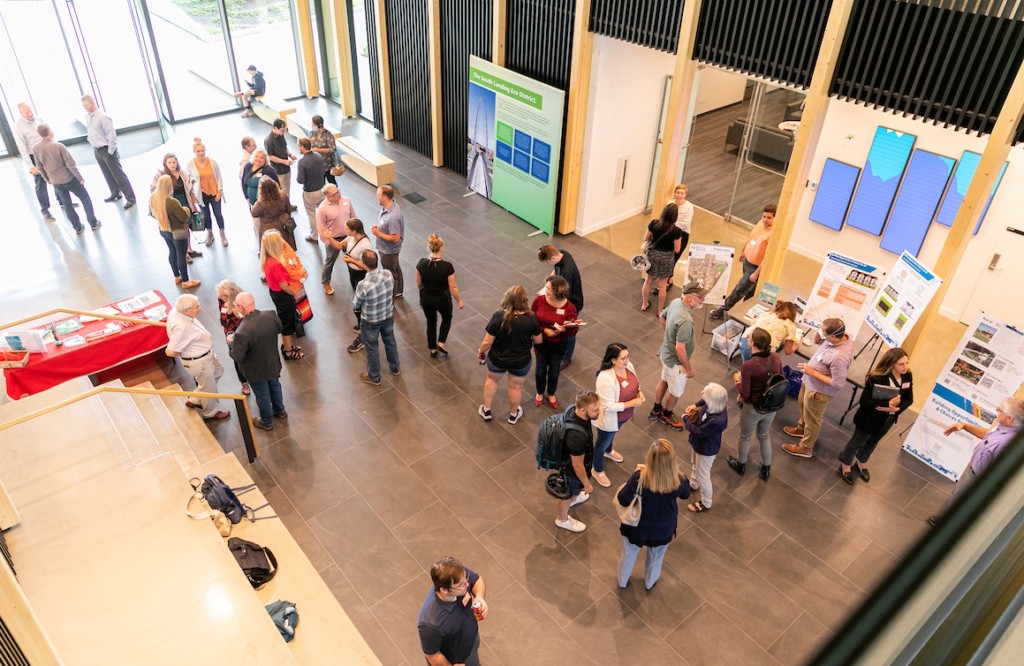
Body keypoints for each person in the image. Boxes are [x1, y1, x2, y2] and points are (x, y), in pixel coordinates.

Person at [932, 397, 1024, 523]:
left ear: (1010, 418)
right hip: (972, 470)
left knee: (962, 506)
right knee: (957, 498)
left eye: (999, 410)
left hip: (977, 480)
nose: (996, 410)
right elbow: (989, 435)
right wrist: (965, 426)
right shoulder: (1005, 426)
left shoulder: (1008, 444)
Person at [616, 439, 690, 589]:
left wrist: (635, 474)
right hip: (663, 528)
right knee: (656, 558)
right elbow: (686, 495)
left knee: (628, 556)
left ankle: (622, 581)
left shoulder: (639, 477)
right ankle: (650, 583)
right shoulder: (679, 480)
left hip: (637, 526)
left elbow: (623, 499)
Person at [838, 348, 914, 484]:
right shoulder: (876, 378)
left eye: (907, 363)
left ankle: (861, 462)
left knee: (872, 442)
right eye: (901, 364)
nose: (905, 367)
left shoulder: (907, 376)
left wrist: (896, 409)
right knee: (856, 443)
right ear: (891, 364)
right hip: (869, 419)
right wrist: (887, 403)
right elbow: (864, 401)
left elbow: (909, 399)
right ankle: (846, 464)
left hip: (888, 419)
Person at [782, 318, 854, 458]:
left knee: (813, 421)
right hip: (808, 382)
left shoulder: (840, 356)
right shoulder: (835, 338)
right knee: (803, 406)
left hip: (818, 391)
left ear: (833, 336)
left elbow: (838, 383)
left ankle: (806, 448)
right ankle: (802, 429)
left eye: (822, 330)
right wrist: (821, 331)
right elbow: (816, 341)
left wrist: (813, 372)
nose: (819, 331)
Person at [477, 286, 542, 424]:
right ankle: (513, 415)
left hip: (497, 360)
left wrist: (481, 352)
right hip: (521, 361)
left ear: (507, 299)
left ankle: (486, 410)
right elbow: (538, 341)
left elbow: (487, 341)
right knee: (516, 387)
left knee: (492, 381)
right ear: (525, 300)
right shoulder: (531, 318)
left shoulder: (498, 316)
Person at [650, 282, 708, 430]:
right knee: (675, 391)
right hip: (676, 362)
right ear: (689, 297)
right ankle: (666, 415)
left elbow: (662, 317)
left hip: (666, 354)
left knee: (664, 379)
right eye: (700, 297)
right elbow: (680, 349)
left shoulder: (676, 302)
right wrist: (688, 369)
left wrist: (668, 336)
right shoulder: (686, 321)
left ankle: (656, 409)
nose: (703, 300)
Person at [727, 327, 781, 482]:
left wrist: (737, 380)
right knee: (764, 435)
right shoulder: (775, 357)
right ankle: (765, 468)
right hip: (771, 406)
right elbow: (780, 378)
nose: (748, 339)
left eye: (749, 337)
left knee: (744, 436)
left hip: (753, 408)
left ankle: (740, 465)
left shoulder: (748, 365)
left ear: (752, 343)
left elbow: (745, 394)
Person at [165, 294, 229, 421]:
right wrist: (186, 353)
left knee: (217, 373)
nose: (199, 308)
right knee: (209, 387)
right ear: (185, 310)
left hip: (206, 355)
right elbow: (170, 352)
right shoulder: (181, 328)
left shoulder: (176, 311)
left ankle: (195, 399)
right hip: (200, 361)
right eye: (196, 307)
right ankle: (210, 412)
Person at [231, 292, 288, 432]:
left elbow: (237, 356)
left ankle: (266, 422)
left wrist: (231, 344)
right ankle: (280, 410)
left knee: (262, 394)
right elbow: (280, 329)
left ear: (242, 308)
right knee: (275, 386)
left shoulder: (241, 332)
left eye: (236, 305)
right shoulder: (271, 315)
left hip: (255, 370)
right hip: (272, 362)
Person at [418, 557, 487, 666]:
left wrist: (479, 597)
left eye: (466, 578)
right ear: (444, 590)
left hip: (470, 649)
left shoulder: (457, 575)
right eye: (460, 585)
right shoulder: (430, 623)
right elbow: (433, 656)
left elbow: (477, 580)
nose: (467, 584)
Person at [710, 203, 775, 319]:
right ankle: (745, 315)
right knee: (750, 291)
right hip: (747, 263)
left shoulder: (773, 235)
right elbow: (751, 239)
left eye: (769, 218)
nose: (765, 220)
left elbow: (768, 258)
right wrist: (744, 250)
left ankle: (723, 308)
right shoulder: (760, 224)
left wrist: (756, 273)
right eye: (764, 216)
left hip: (755, 269)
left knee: (740, 289)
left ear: (775, 218)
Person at [593, 343, 644, 488]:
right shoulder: (605, 378)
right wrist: (632, 402)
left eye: (627, 357)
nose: (627, 361)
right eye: (623, 358)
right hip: (611, 418)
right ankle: (597, 470)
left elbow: (636, 382)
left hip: (622, 417)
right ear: (613, 360)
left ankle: (609, 451)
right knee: (601, 443)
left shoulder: (628, 366)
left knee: (612, 434)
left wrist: (639, 393)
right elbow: (608, 406)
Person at [33, 124, 101, 233]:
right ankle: (93, 222)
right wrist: (80, 178)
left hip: (55, 181)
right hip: (69, 179)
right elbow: (71, 165)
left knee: (67, 204)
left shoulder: (36, 148)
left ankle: (77, 227)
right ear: (50, 132)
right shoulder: (59, 146)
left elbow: (39, 167)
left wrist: (47, 178)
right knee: (85, 198)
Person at [353, 250, 401, 386]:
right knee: (390, 341)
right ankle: (395, 367)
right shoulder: (387, 274)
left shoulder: (363, 285)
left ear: (364, 265)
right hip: (387, 315)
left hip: (370, 322)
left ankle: (374, 376)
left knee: (372, 348)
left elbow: (356, 304)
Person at [555, 391, 600, 533]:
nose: (599, 412)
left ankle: (574, 497)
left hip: (572, 463)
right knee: (566, 494)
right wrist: (587, 485)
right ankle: (562, 519)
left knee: (572, 492)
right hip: (571, 472)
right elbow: (577, 466)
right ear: (582, 410)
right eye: (595, 410)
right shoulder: (577, 437)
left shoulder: (572, 410)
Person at [530, 276, 578, 408]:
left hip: (559, 344)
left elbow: (573, 330)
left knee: (554, 369)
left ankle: (551, 393)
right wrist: (544, 330)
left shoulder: (570, 308)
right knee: (540, 368)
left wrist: (564, 330)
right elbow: (531, 321)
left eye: (549, 288)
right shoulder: (539, 300)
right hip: (540, 341)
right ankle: (540, 392)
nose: (546, 290)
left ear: (558, 292)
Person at [81, 95, 135, 209]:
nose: (85, 107)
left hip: (107, 149)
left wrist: (111, 151)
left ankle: (130, 198)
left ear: (93, 103)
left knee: (118, 175)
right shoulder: (87, 116)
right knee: (107, 174)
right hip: (97, 149)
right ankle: (115, 193)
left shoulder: (102, 117)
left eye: (86, 105)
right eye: (83, 105)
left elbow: (111, 134)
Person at [682, 383, 728, 513]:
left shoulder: (717, 420)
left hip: (707, 448)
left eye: (705, 394)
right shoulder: (716, 404)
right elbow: (703, 400)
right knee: (695, 465)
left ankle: (706, 502)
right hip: (699, 444)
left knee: (703, 477)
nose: (702, 393)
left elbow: (698, 431)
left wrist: (686, 419)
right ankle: (693, 484)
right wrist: (695, 405)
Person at [416, 234, 464, 357]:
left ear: (430, 248)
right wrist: (459, 301)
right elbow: (453, 287)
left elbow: (418, 282)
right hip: (443, 299)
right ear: (441, 248)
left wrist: (424, 292)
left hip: (426, 299)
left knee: (431, 322)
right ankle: (441, 342)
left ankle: (432, 349)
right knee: (447, 318)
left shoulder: (421, 263)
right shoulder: (447, 267)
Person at [538, 244, 584, 369]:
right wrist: (547, 285)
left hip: (572, 303)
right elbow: (555, 271)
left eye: (547, 261)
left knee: (569, 331)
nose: (548, 263)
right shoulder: (562, 253)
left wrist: (548, 299)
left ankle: (567, 358)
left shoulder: (567, 273)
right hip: (570, 298)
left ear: (552, 258)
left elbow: (563, 297)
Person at [260, 231, 303, 360]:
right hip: (283, 296)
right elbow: (284, 285)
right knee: (287, 323)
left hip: (275, 293)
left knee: (286, 319)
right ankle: (288, 350)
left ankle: (288, 345)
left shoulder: (268, 260)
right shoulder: (276, 264)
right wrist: (295, 294)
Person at [150, 175, 199, 288]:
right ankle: (186, 281)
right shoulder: (172, 202)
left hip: (164, 230)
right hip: (177, 232)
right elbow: (183, 217)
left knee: (172, 251)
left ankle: (177, 277)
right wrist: (186, 209)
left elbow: (153, 214)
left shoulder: (153, 198)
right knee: (181, 255)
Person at [13, 103, 58, 222]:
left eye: (30, 111)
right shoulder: (18, 127)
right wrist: (31, 166)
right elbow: (22, 148)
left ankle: (62, 200)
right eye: (27, 113)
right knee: (40, 183)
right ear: (21, 113)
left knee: (56, 176)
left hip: (47, 152)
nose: (30, 114)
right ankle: (45, 210)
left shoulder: (38, 119)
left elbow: (48, 134)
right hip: (35, 156)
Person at [150, 153, 200, 260]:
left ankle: (189, 249)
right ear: (165, 163)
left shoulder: (183, 174)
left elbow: (190, 189)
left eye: (174, 162)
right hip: (171, 203)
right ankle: (183, 253)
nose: (172, 165)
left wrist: (193, 204)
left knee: (186, 226)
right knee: (178, 228)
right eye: (170, 163)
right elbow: (153, 189)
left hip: (184, 201)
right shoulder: (160, 176)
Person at [641, 203, 684, 314]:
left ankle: (644, 304)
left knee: (648, 281)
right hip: (666, 257)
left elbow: (646, 238)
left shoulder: (654, 224)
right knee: (662, 285)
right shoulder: (677, 231)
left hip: (653, 255)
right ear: (675, 216)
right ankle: (660, 310)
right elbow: (677, 250)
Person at [185, 138, 227, 247]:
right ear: (194, 151)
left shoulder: (212, 162)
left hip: (214, 192)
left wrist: (219, 192)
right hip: (201, 194)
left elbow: (219, 178)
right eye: (198, 151)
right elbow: (189, 181)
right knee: (206, 215)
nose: (201, 153)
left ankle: (222, 234)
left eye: (202, 151)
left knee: (218, 213)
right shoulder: (190, 165)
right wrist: (192, 195)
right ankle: (210, 234)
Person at [317, 184, 357, 295]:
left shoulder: (346, 200)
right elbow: (321, 228)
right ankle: (326, 283)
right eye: (335, 194)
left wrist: (355, 234)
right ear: (328, 197)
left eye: (338, 191)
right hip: (333, 239)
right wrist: (328, 241)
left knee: (352, 259)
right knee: (330, 261)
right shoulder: (322, 209)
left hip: (348, 237)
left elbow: (353, 217)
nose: (338, 194)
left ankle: (355, 281)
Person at [342, 218, 373, 353]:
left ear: (354, 231)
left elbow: (368, 267)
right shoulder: (351, 238)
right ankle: (361, 324)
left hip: (360, 275)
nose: (345, 230)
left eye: (347, 229)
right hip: (353, 273)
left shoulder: (365, 245)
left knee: (360, 305)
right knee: (358, 302)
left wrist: (351, 260)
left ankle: (362, 336)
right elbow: (339, 246)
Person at [216, 280, 249, 395]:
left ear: (229, 295)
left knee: (249, 354)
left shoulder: (242, 300)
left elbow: (246, 319)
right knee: (237, 357)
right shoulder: (222, 300)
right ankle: (244, 382)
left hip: (244, 330)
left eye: (222, 295)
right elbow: (223, 321)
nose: (219, 297)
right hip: (231, 333)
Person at [372, 185, 405, 298]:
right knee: (395, 268)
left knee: (390, 274)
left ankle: (392, 296)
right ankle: (399, 291)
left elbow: (395, 238)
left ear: (385, 197)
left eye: (379, 195)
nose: (377, 197)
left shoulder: (392, 217)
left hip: (388, 250)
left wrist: (379, 234)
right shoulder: (388, 208)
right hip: (385, 247)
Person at [241, 150, 279, 241]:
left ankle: (270, 243)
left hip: (266, 204)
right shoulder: (247, 167)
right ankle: (261, 245)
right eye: (256, 156)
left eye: (261, 158)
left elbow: (277, 187)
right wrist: (247, 197)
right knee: (256, 224)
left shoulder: (269, 170)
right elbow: (243, 182)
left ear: (265, 160)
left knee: (267, 224)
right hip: (252, 203)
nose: (258, 159)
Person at [250, 176, 296, 251]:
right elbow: (288, 209)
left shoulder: (260, 203)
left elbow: (254, 213)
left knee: (272, 250)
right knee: (286, 249)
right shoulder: (283, 196)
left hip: (268, 228)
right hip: (284, 225)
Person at [296, 137, 325, 243]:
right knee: (322, 213)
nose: (298, 148)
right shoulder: (319, 157)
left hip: (310, 192)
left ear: (303, 147)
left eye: (298, 146)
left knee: (312, 215)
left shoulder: (302, 162)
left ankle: (314, 236)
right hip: (321, 189)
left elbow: (300, 180)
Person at [665, 184, 693, 287]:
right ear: (675, 193)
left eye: (682, 193)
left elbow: (686, 224)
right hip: (670, 233)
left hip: (683, 234)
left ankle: (669, 278)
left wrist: (672, 223)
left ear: (685, 195)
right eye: (678, 193)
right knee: (668, 255)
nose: (679, 195)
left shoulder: (689, 207)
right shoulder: (670, 203)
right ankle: (666, 275)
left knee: (675, 257)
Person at [265, 119, 295, 200]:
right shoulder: (269, 140)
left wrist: (290, 155)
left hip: (286, 167)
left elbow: (284, 147)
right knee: (279, 189)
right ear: (275, 128)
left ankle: (287, 204)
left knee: (287, 187)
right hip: (278, 169)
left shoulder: (281, 135)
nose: (284, 132)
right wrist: (284, 161)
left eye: (285, 130)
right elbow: (270, 156)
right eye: (282, 130)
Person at [309, 115, 340, 185]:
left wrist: (318, 150)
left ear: (319, 125)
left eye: (313, 125)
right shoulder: (312, 133)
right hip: (316, 164)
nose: (312, 126)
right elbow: (310, 143)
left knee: (331, 181)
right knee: (320, 183)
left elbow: (332, 149)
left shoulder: (328, 135)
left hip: (327, 164)